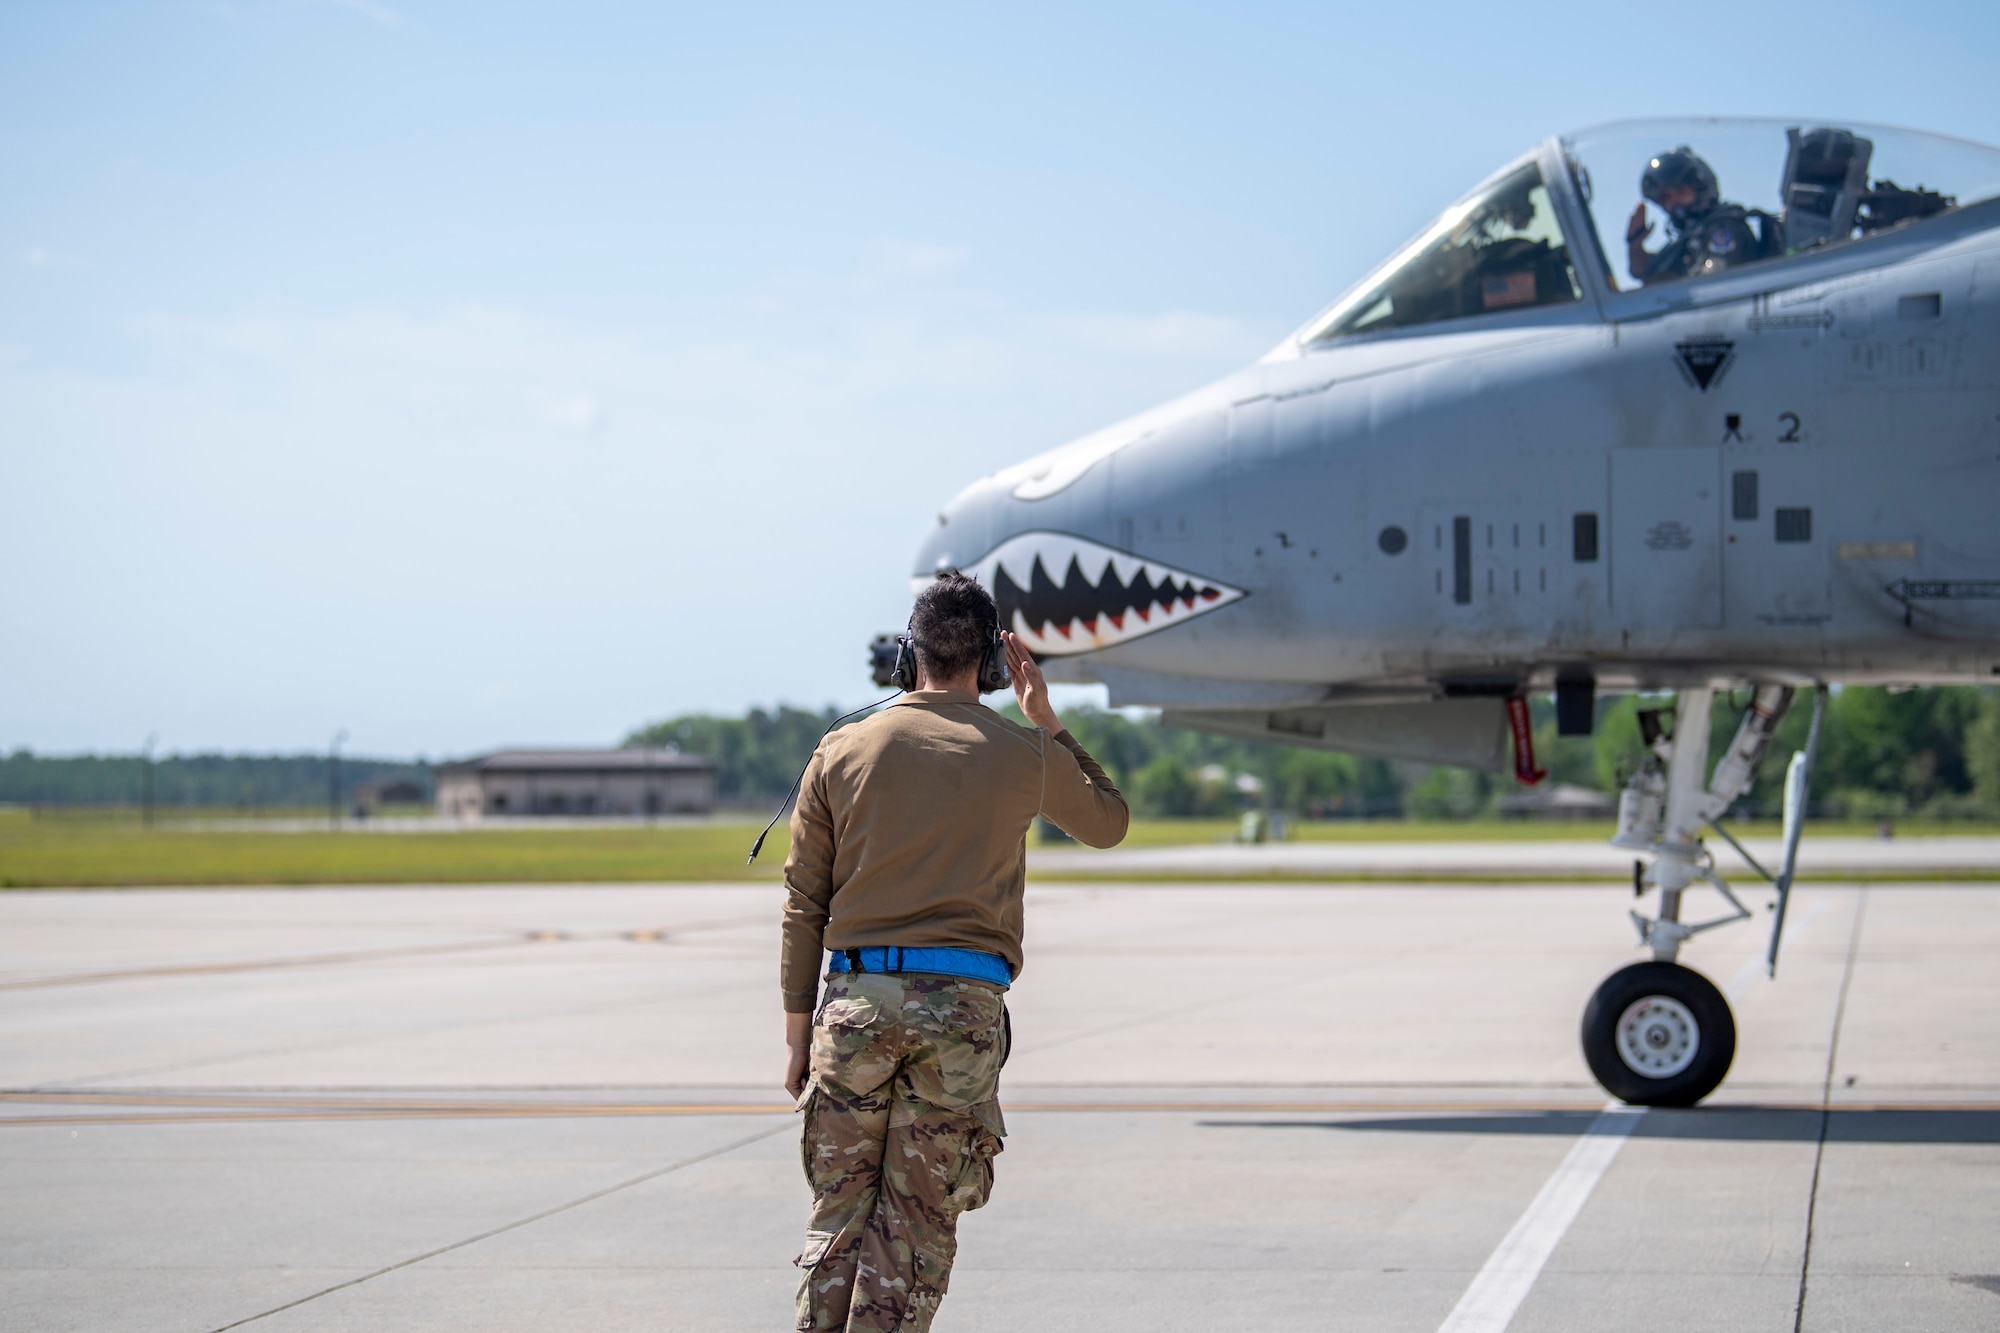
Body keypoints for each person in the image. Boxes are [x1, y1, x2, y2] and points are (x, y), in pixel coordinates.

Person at [780, 572, 1129, 1332]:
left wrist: (796, 1031)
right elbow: (1109, 821)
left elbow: (805, 901)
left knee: (837, 1219)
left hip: (854, 1006)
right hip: (959, 1022)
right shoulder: (1024, 752)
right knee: (913, 1231)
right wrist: (1051, 725)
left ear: (909, 655)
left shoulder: (840, 748)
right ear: (996, 664)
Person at [1626, 146, 1781, 285]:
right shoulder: (1689, 239)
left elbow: (1712, 282)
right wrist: (1635, 242)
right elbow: (1643, 271)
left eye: (1680, 192)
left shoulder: (1723, 229)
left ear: (1701, 188)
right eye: (1665, 198)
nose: (1672, 203)